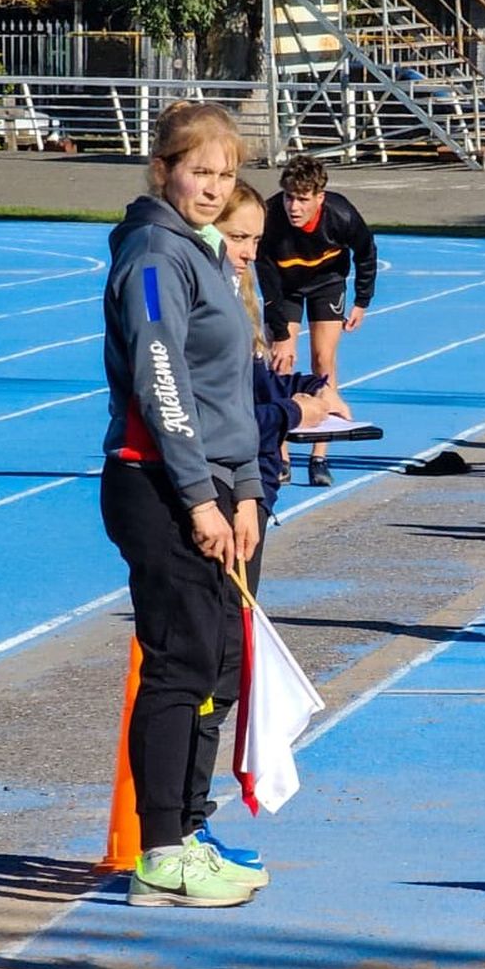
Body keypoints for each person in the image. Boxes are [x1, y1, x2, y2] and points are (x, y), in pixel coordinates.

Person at [99, 101, 271, 908]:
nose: (212, 187)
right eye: (198, 171)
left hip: (204, 486)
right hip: (155, 485)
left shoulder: (202, 254)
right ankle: (158, 853)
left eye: (225, 174)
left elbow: (226, 391)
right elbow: (163, 380)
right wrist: (201, 496)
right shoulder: (155, 258)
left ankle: (184, 832)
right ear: (163, 169)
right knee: (179, 663)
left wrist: (243, 489)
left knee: (208, 659)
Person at [177, 180, 349, 870]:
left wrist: (296, 391)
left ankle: (194, 818)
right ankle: (182, 823)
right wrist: (293, 416)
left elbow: (249, 393)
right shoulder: (198, 293)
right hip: (223, 495)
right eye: (238, 237)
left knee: (226, 662)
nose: (249, 251)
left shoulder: (241, 292)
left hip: (255, 492)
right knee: (208, 663)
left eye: (255, 239)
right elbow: (220, 411)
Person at [255, 154, 376, 489]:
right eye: (289, 197)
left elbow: (366, 252)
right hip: (284, 287)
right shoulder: (269, 219)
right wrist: (281, 333)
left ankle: (320, 454)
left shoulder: (341, 214)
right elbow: (266, 280)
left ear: (319, 198)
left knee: (323, 361)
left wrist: (362, 301)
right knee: (280, 364)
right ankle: (280, 456)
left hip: (327, 283)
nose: (294, 207)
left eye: (303, 200)